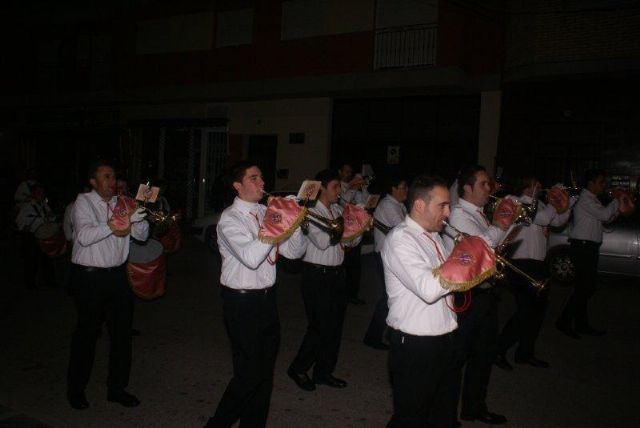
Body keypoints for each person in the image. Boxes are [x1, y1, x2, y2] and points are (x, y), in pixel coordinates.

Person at [205, 161, 306, 428]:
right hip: (241, 302)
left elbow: (295, 254)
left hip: (266, 300)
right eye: (253, 178)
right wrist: (277, 222)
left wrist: (293, 222)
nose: (262, 183)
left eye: (261, 177)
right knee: (249, 374)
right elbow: (251, 258)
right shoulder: (229, 219)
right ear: (237, 186)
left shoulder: (265, 211)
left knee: (264, 374)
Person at [66, 160, 148, 410]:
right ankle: (76, 389)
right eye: (106, 177)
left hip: (117, 278)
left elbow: (142, 236)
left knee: (122, 336)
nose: (112, 182)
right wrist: (117, 222)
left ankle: (117, 389)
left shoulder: (121, 203)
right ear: (93, 181)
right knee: (87, 335)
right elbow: (84, 236)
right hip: (89, 278)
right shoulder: (83, 202)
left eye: (114, 177)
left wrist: (138, 218)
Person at [382, 174, 459, 427]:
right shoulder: (401, 239)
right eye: (442, 205)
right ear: (419, 206)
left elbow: (449, 283)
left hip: (443, 338)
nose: (448, 212)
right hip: (415, 346)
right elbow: (428, 288)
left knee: (442, 414)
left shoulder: (434, 235)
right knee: (411, 417)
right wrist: (465, 262)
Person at [288, 169, 361, 391]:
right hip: (316, 275)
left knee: (335, 327)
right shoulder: (310, 211)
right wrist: (342, 229)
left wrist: (358, 228)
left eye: (340, 186)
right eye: (335, 187)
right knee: (318, 327)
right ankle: (298, 368)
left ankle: (323, 371)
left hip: (337, 275)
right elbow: (321, 241)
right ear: (322, 189)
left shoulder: (337, 209)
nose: (339, 191)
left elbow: (349, 244)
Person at [445, 165, 507, 425]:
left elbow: (495, 245)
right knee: (456, 359)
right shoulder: (459, 214)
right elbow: (482, 245)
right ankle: (445, 415)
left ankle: (474, 407)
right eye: (483, 184)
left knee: (483, 355)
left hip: (486, 292)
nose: (489, 188)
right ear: (467, 188)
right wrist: (503, 221)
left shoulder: (478, 214)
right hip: (468, 295)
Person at [494, 178, 572, 371]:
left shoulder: (541, 205)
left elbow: (559, 220)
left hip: (538, 264)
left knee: (537, 312)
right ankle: (498, 349)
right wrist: (556, 202)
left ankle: (525, 353)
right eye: (534, 184)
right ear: (525, 186)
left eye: (538, 184)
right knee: (525, 311)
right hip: (520, 263)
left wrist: (568, 203)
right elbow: (545, 218)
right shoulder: (516, 200)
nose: (538, 188)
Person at [556, 169, 621, 338]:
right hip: (582, 247)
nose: (603, 185)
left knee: (584, 288)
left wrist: (616, 208)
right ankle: (564, 321)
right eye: (600, 182)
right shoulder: (585, 199)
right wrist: (616, 200)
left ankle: (581, 324)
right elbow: (605, 214)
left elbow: (606, 218)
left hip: (589, 247)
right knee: (586, 287)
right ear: (590, 183)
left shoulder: (593, 199)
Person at [362, 175, 408, 350]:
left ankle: (387, 333)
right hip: (385, 255)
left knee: (391, 296)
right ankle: (374, 336)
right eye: (402, 187)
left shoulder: (399, 205)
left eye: (406, 187)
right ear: (393, 189)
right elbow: (404, 229)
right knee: (387, 298)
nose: (406, 190)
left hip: (391, 256)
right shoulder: (389, 205)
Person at [338, 163, 369, 305]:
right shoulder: (338, 187)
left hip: (357, 231)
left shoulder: (354, 188)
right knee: (343, 267)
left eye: (351, 172)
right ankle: (342, 295)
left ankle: (352, 295)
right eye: (346, 171)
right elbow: (344, 202)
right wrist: (352, 186)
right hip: (344, 233)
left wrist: (363, 187)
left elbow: (365, 203)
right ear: (340, 172)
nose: (349, 174)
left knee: (355, 268)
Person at [15, 183, 56, 289]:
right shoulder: (27, 206)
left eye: (42, 193)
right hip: (31, 237)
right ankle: (30, 284)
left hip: (43, 235)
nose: (41, 194)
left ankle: (49, 281)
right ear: (33, 194)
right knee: (31, 261)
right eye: (38, 192)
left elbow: (51, 217)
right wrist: (25, 226)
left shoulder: (44, 205)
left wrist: (50, 218)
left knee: (46, 259)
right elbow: (19, 221)